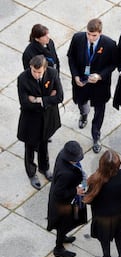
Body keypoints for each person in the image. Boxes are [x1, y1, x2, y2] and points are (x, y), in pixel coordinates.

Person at [67, 18, 117, 153]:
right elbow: (71, 57)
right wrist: (75, 75)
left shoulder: (109, 44)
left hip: (99, 85)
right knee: (81, 102)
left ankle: (96, 135)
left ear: (100, 33)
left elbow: (113, 64)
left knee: (99, 111)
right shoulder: (78, 38)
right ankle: (84, 114)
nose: (90, 37)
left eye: (94, 35)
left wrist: (100, 76)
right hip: (81, 82)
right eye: (88, 34)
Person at [17, 55, 63, 190]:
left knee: (44, 144)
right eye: (34, 71)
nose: (36, 75)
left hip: (48, 118)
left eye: (39, 72)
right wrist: (49, 98)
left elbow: (59, 96)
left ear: (44, 69)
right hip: (31, 120)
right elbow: (25, 103)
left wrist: (39, 100)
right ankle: (31, 172)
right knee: (30, 147)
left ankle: (44, 168)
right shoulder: (23, 78)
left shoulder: (52, 73)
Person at [83, 150, 121, 257]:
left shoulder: (96, 180)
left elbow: (89, 199)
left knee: (104, 239)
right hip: (119, 215)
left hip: (102, 217)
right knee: (120, 238)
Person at [46, 141, 86, 257]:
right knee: (62, 225)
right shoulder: (66, 174)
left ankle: (63, 237)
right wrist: (75, 191)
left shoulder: (62, 155)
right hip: (62, 204)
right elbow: (59, 193)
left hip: (64, 200)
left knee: (65, 224)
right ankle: (58, 248)